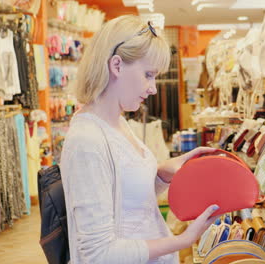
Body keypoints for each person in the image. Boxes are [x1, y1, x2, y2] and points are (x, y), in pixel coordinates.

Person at [61, 15, 220, 264]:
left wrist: (161, 175)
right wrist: (183, 240)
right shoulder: (87, 142)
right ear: (116, 66)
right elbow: (97, 254)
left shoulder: (117, 122)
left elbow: (127, 204)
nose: (154, 88)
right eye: (148, 74)